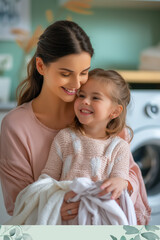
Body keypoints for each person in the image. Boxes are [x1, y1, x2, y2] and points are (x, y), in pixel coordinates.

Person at [0, 20, 150, 224]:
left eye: (84, 72)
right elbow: (17, 203)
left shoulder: (98, 115)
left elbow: (131, 176)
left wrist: (118, 188)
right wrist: (53, 207)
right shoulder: (16, 125)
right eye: (65, 73)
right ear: (41, 66)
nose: (76, 84)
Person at [42, 68, 131, 201]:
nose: (85, 101)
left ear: (115, 111)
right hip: (66, 207)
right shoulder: (65, 138)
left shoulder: (119, 147)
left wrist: (121, 183)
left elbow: (120, 178)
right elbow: (48, 177)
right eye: (81, 95)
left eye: (95, 97)